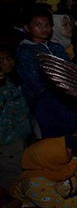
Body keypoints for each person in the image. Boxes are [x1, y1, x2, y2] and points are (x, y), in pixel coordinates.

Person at [14, 4, 77, 149]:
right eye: (38, 25)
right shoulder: (25, 52)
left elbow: (69, 70)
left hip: (67, 97)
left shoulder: (56, 47)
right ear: (27, 28)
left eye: (47, 25)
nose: (44, 28)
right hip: (46, 102)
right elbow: (36, 82)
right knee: (57, 142)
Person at [0, 45, 34, 190]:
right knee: (12, 179)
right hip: (8, 141)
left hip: (20, 137)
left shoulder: (8, 79)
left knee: (22, 173)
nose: (6, 63)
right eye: (1, 60)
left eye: (9, 58)